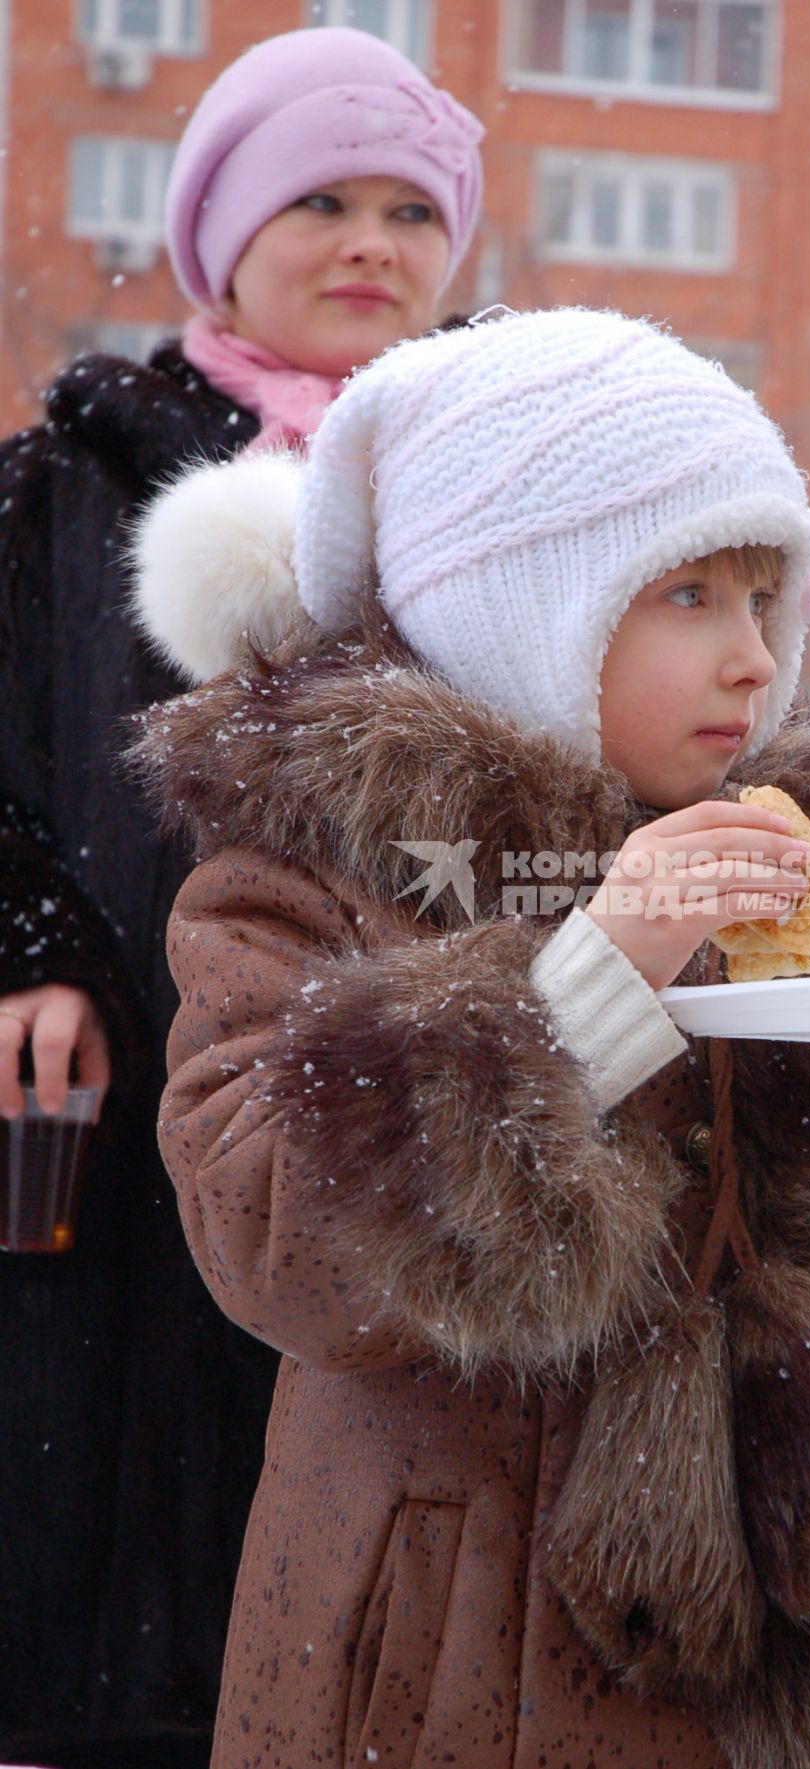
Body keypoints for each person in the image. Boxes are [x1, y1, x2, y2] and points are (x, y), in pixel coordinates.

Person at [127, 308, 810, 1769]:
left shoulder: (779, 872)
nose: (753, 660)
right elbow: (278, 1252)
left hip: (771, 1670)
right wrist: (591, 976)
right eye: (687, 598)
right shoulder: (301, 879)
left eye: (765, 597)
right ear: (521, 607)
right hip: (446, 1646)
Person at [0, 27, 481, 1767]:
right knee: (131, 1585)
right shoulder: (64, 481)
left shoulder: (512, 479)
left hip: (420, 1076)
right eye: (323, 200)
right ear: (220, 230)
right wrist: (31, 944)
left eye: (412, 208)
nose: (372, 242)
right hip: (123, 1104)